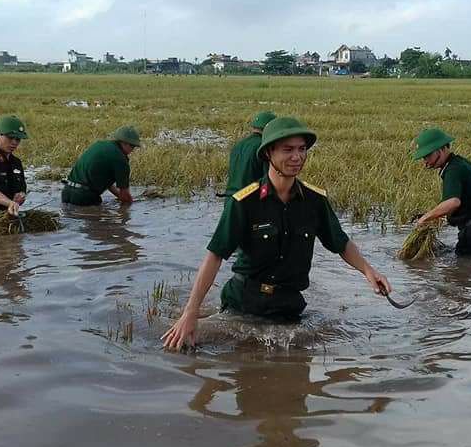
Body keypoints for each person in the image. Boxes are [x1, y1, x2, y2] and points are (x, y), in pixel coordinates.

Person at [162, 116, 393, 350]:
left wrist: (368, 271)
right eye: (288, 149)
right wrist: (190, 313)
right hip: (244, 305)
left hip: (289, 307)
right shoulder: (244, 202)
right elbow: (215, 256)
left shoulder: (315, 201)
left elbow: (340, 243)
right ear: (268, 154)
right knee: (194, 348)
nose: (297, 157)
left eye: (302, 149)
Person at [412, 127, 471, 255]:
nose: (425, 161)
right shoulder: (463, 164)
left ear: (441, 150)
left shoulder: (453, 170)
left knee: (458, 273)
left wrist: (425, 218)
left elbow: (453, 202)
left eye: (427, 156)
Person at [62, 126, 141, 205]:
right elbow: (125, 194)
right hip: (84, 197)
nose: (132, 150)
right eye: (132, 146)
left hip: (67, 191)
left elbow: (107, 184)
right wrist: (130, 204)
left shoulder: (99, 145)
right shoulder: (121, 160)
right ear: (124, 143)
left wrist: (120, 196)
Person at [223, 111, 276, 195]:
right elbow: (267, 180)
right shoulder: (263, 147)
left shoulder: (238, 145)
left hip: (231, 198)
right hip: (249, 199)